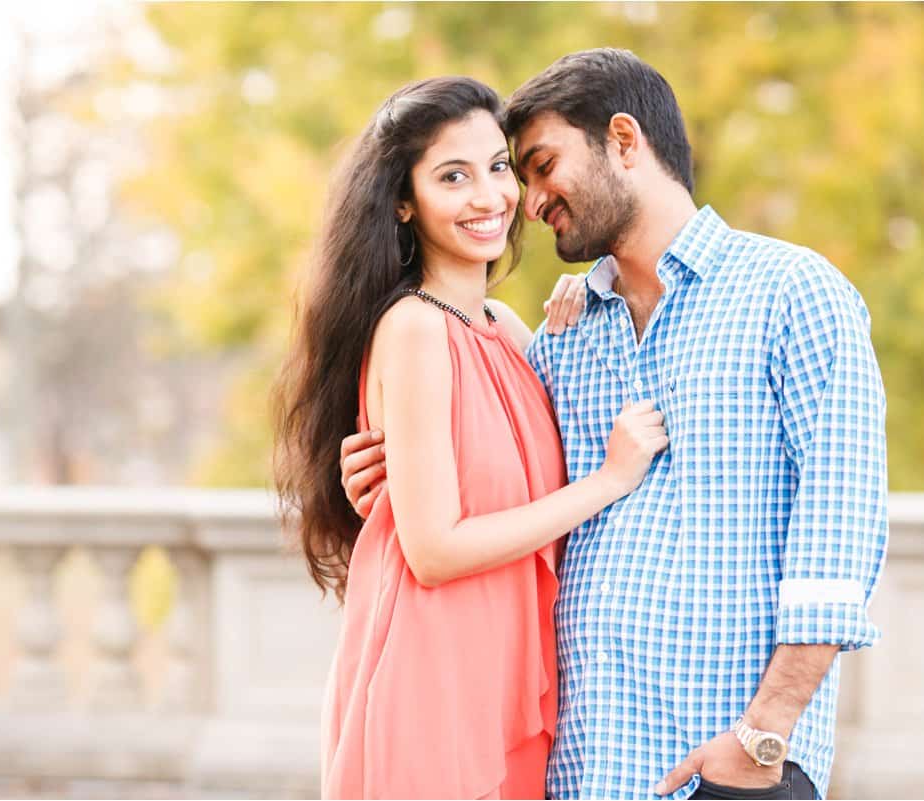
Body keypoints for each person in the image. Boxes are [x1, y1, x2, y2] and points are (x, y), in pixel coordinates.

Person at [340, 50, 888, 800]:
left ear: (624, 141)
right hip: (581, 768)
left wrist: (765, 734)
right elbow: (493, 495)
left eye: (535, 166)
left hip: (723, 764)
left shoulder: (794, 293)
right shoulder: (562, 339)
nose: (528, 201)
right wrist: (381, 476)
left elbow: (840, 529)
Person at [271, 76, 668, 800]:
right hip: (434, 682)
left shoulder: (508, 330)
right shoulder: (415, 328)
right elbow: (435, 549)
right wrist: (608, 482)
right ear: (403, 200)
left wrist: (577, 308)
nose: (490, 197)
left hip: (503, 676)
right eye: (453, 176)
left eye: (498, 168)